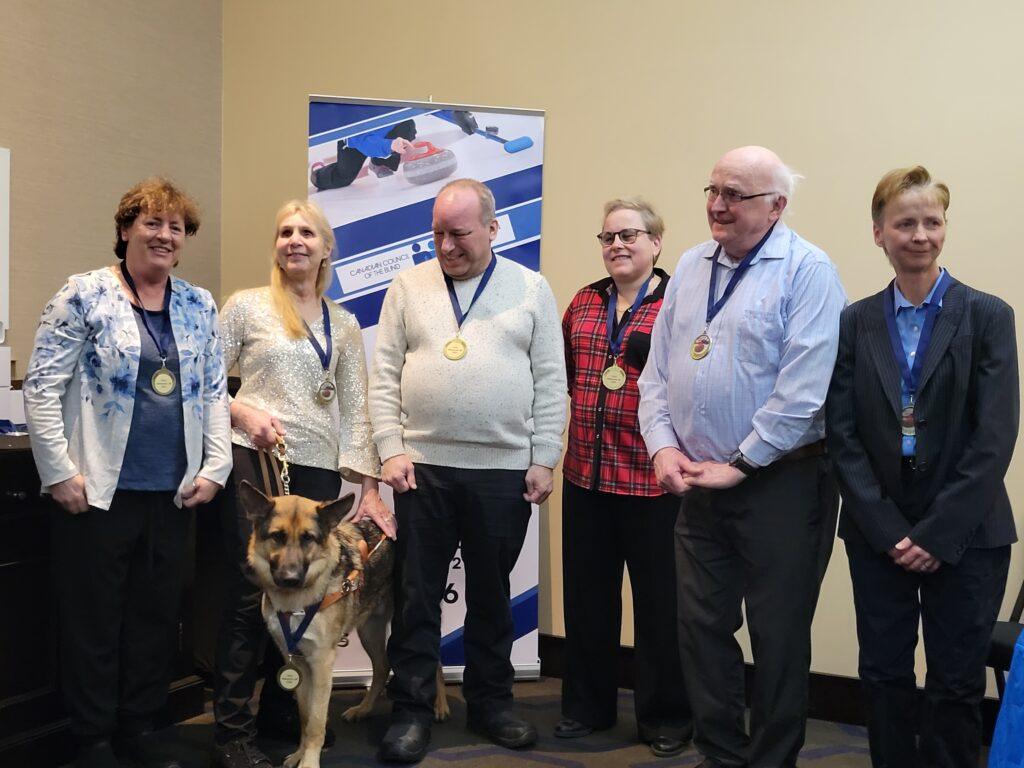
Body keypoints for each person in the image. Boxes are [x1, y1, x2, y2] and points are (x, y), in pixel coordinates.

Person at [637, 146, 846, 768]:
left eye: (736, 194)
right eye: (713, 190)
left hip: (781, 483)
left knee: (779, 638)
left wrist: (743, 462)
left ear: (776, 205)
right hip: (697, 482)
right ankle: (721, 755)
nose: (717, 205)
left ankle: (773, 759)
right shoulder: (692, 265)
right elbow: (656, 373)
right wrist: (662, 446)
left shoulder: (808, 270)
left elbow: (804, 392)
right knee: (700, 630)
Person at [23, 178, 232, 768]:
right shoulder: (84, 294)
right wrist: (59, 471)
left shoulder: (197, 304)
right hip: (97, 492)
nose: (164, 236)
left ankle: (142, 726)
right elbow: (42, 389)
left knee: (155, 618)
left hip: (172, 492)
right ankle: (93, 737)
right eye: (152, 223)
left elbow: (214, 392)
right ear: (125, 230)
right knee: (94, 621)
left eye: (175, 227)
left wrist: (215, 467)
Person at [370, 178, 566, 763]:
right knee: (416, 596)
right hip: (422, 468)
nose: (447, 245)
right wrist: (389, 448)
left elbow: (551, 379)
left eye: (459, 233)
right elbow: (383, 374)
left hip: (502, 471)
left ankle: (492, 704)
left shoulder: (531, 288)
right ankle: (409, 712)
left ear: (492, 227)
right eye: (437, 233)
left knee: (490, 595)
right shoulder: (407, 286)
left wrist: (543, 456)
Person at [826, 166, 1017, 768]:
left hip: (968, 533)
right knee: (881, 676)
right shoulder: (855, 322)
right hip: (876, 530)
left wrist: (935, 534)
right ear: (879, 233)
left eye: (931, 222)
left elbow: (995, 437)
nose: (920, 234)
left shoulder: (988, 315)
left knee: (955, 685)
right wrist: (888, 530)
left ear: (944, 228)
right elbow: (842, 434)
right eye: (904, 223)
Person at [212, 199, 396, 768]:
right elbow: (203, 382)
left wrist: (367, 488)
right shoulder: (245, 307)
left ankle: (281, 715)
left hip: (317, 475)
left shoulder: (341, 323)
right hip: (254, 462)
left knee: (305, 606)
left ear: (325, 247)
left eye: (307, 233)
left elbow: (359, 410)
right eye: (285, 231)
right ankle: (233, 731)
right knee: (252, 599)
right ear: (277, 245)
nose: (295, 240)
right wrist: (243, 415)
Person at [557, 197, 691, 757]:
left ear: (657, 243)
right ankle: (587, 708)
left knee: (662, 608)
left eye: (630, 235)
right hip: (586, 477)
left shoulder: (682, 304)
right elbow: (563, 377)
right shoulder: (584, 303)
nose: (617, 245)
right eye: (608, 236)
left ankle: (663, 718)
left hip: (652, 482)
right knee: (588, 601)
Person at [310, 119, 417, 191]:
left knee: (407, 126)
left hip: (385, 130)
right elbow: (365, 142)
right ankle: (318, 172)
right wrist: (390, 146)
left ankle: (379, 163)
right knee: (343, 177)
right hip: (355, 143)